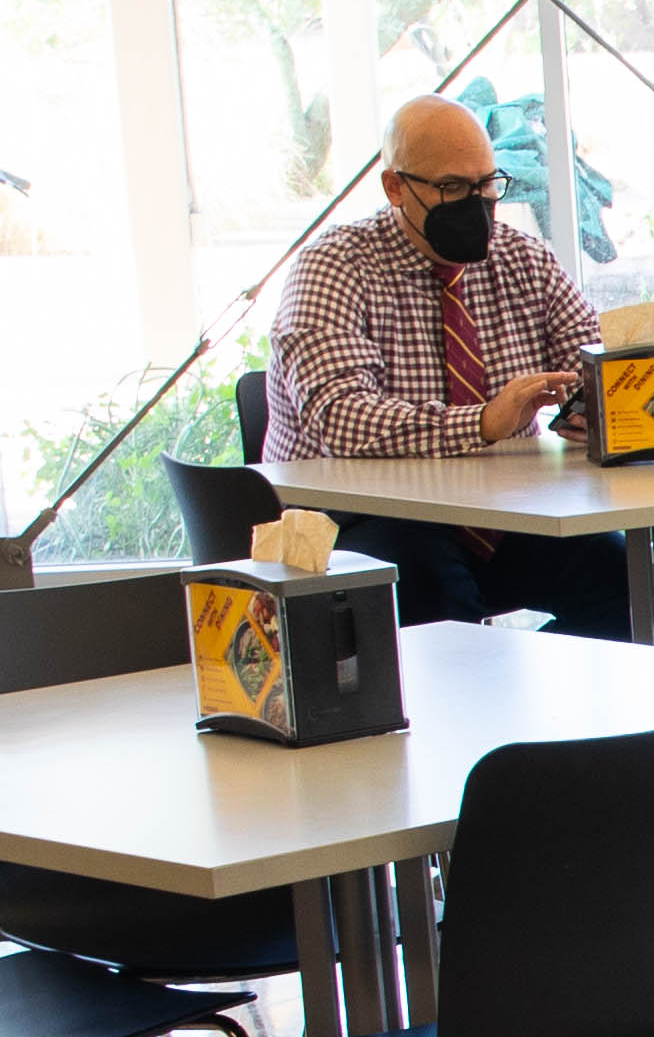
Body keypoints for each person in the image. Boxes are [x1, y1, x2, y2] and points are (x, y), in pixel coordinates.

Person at [266, 92, 626, 634]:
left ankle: (552, 707)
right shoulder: (333, 266)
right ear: (395, 187)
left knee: (618, 573)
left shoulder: (522, 258)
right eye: (453, 188)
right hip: (360, 519)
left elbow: (598, 365)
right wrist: (482, 422)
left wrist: (594, 409)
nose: (477, 204)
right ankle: (477, 709)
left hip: (503, 514)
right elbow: (340, 419)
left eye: (487, 185)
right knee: (429, 581)